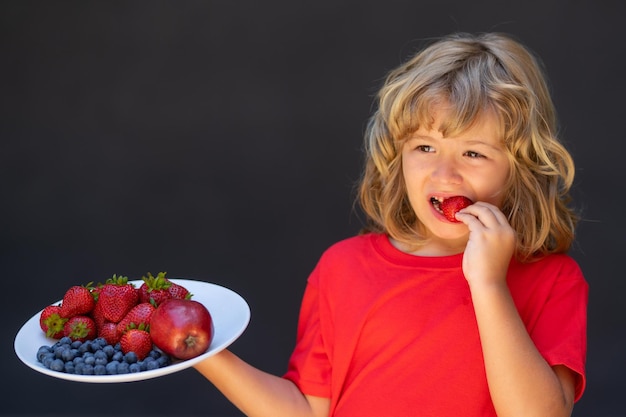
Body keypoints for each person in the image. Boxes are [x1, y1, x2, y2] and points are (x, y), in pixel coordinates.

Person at [193, 32, 588, 417]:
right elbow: (308, 410)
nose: (444, 173)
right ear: (397, 157)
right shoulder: (342, 268)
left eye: (473, 153)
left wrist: (488, 284)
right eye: (425, 148)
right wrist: (199, 351)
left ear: (519, 170)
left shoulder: (553, 280)